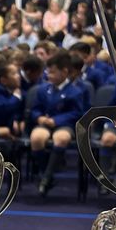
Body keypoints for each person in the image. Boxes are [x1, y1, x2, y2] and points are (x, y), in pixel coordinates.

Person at [30, 50, 83, 196]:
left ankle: (46, 178)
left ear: (64, 72)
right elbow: (34, 109)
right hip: (45, 123)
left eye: (53, 72)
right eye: (48, 72)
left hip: (65, 125)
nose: (49, 75)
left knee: (61, 139)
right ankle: (44, 173)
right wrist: (39, 118)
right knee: (36, 138)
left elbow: (77, 113)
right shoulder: (43, 89)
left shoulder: (75, 91)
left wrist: (57, 120)